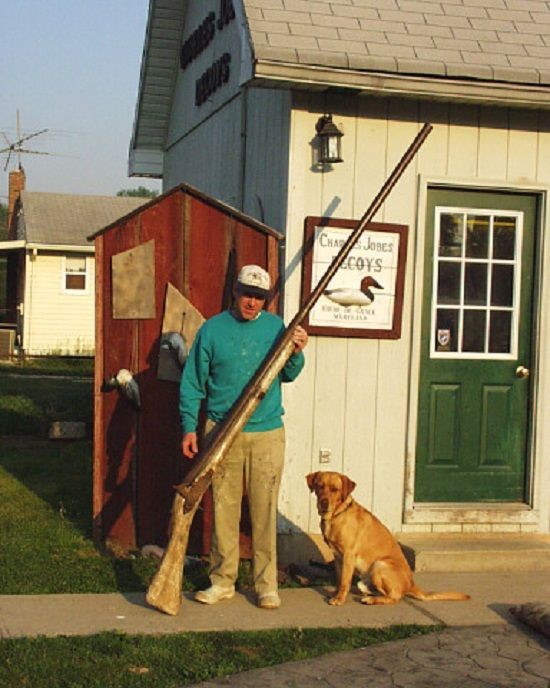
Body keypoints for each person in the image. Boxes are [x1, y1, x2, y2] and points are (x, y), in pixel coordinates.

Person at [179, 265, 308, 609]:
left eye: (259, 297)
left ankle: (266, 585)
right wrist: (190, 426)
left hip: (267, 432)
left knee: (265, 511)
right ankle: (222, 581)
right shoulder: (212, 330)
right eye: (247, 294)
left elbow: (290, 375)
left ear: (266, 300)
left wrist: (296, 350)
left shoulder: (277, 328)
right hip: (221, 432)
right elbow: (192, 382)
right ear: (235, 292)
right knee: (223, 508)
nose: (252, 302)